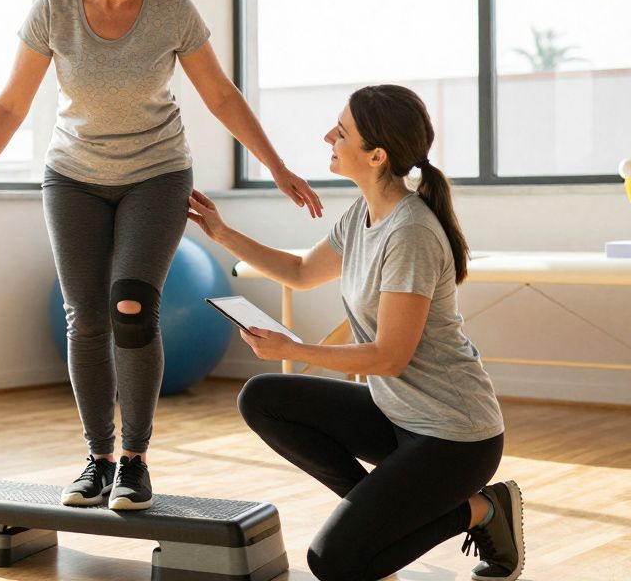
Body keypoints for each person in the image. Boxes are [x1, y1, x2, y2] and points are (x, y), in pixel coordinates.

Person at [0, 0, 322, 511]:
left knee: (131, 305)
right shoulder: (54, 10)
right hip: (72, 176)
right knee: (85, 316)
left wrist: (276, 166)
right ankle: (98, 458)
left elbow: (220, 95)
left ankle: (134, 461)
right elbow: (11, 104)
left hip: (157, 173)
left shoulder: (171, 7)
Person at [187, 85, 524, 580]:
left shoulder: (410, 233)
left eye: (341, 132)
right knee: (262, 398)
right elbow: (301, 272)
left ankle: (483, 509)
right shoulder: (363, 214)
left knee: (334, 562)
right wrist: (222, 233)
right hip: (397, 416)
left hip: (453, 437)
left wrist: (294, 349)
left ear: (377, 156)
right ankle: (376, 516)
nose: (329, 136)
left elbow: (389, 357)